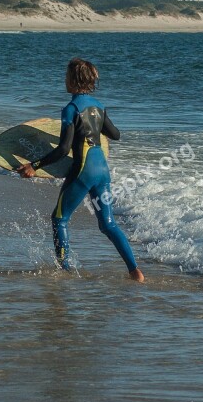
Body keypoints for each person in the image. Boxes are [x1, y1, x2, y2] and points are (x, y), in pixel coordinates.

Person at [17, 58, 145, 283]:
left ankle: (64, 270)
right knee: (108, 224)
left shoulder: (71, 108)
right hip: (102, 170)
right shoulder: (99, 106)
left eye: (66, 76)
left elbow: (63, 149)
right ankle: (135, 271)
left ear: (74, 81)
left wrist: (33, 166)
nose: (64, 80)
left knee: (59, 219)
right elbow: (115, 135)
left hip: (83, 169)